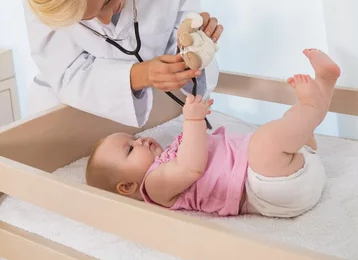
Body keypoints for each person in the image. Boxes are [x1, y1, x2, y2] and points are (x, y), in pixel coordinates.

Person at [86, 49, 340, 218]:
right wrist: (194, 120)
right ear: (128, 185)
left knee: (288, 129)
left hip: (292, 168)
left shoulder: (167, 157)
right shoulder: (154, 187)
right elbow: (191, 168)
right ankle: (313, 106)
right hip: (267, 189)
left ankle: (324, 83)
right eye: (130, 149)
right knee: (267, 141)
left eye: (133, 137)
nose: (140, 139)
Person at [19, 0, 223, 126]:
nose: (106, 19)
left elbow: (185, 49)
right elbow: (65, 72)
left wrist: (197, 47)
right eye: (86, 19)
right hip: (66, 113)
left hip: (155, 114)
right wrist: (141, 75)